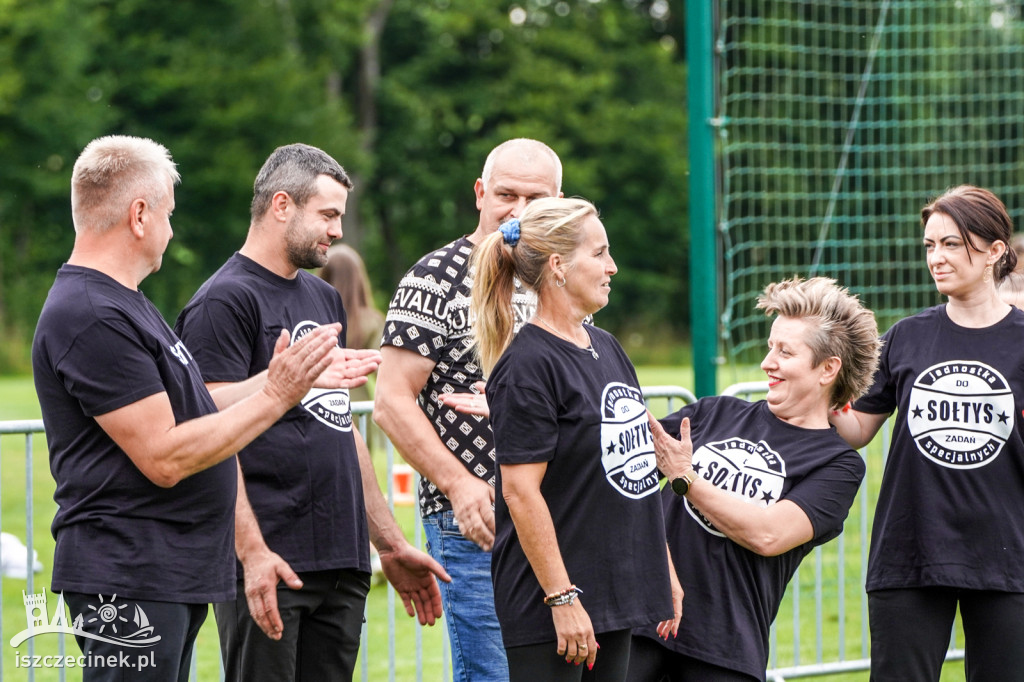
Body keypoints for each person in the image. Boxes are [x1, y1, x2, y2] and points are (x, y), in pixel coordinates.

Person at [31, 135, 355, 682]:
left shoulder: (124, 303)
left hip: (161, 572)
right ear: (139, 215)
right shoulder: (91, 312)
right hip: (128, 574)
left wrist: (283, 381)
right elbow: (165, 456)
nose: (171, 230)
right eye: (168, 214)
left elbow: (194, 409)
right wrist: (278, 395)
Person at [174, 143, 449, 682]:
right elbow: (203, 425)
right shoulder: (222, 301)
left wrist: (390, 545)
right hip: (271, 561)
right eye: (327, 214)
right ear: (282, 205)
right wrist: (251, 552)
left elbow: (339, 429)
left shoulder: (323, 300)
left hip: (341, 563)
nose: (337, 231)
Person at [457, 196, 681, 680]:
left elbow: (634, 477)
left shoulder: (607, 346)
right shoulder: (528, 364)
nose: (612, 267)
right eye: (599, 253)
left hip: (613, 591)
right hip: (553, 601)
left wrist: (662, 568)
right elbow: (520, 492)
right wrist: (562, 598)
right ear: (558, 266)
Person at [374, 137, 564, 681]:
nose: (518, 210)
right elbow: (390, 401)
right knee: (494, 674)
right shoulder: (434, 277)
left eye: (536, 198)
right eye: (506, 194)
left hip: (558, 514)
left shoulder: (560, 277)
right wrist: (459, 486)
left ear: (558, 201)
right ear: (480, 193)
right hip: (476, 520)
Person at [628, 276, 880, 682]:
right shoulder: (714, 412)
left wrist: (685, 478)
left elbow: (767, 534)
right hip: (642, 624)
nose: (767, 362)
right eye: (770, 346)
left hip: (723, 650)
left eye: (785, 351)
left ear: (828, 369)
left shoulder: (837, 465)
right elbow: (619, 464)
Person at [830, 185, 1024, 681]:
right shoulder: (906, 335)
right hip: (911, 549)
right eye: (930, 245)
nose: (936, 257)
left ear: (994, 251)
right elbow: (856, 429)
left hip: (1008, 555)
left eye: (951, 244)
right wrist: (819, 385)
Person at [319, 244, 385, 404]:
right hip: (357, 407)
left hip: (318, 405)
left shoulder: (313, 316)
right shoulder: (372, 321)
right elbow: (385, 373)